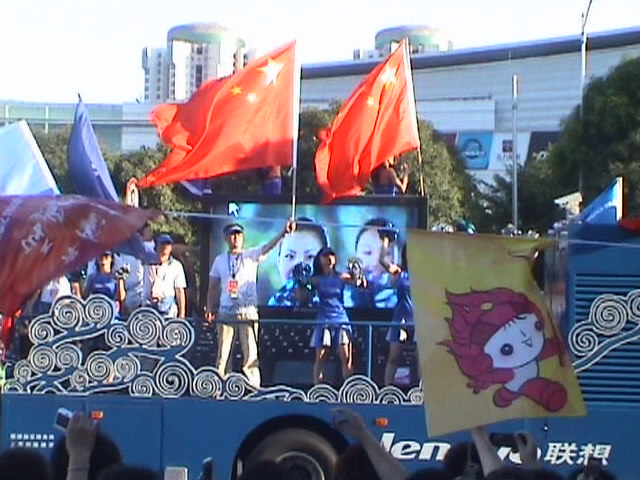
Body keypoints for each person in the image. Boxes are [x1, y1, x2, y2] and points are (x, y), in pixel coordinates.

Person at [205, 220, 294, 388]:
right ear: (226, 238)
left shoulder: (251, 255)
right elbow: (213, 286)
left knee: (250, 352)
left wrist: (283, 234)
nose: (236, 238)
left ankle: (253, 387)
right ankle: (221, 385)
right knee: (223, 353)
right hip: (226, 311)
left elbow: (268, 247)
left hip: (247, 312)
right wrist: (209, 307)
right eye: (232, 235)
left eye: (238, 235)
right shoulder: (220, 260)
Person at [310, 247, 364, 384]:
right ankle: (318, 387)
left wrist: (357, 275)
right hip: (324, 319)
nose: (328, 258)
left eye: (331, 255)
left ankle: (349, 388)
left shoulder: (341, 277)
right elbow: (303, 290)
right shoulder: (316, 279)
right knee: (320, 357)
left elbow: (359, 284)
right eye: (325, 256)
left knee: (346, 357)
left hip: (340, 319)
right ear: (320, 259)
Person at [268, 217, 328, 307]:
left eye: (310, 257)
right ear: (278, 261)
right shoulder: (275, 302)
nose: (298, 264)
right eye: (290, 256)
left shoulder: (332, 304)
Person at [380, 242, 414, 385]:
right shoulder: (399, 271)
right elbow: (383, 261)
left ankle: (421, 390)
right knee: (394, 356)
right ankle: (387, 388)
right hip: (401, 318)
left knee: (421, 357)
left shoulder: (424, 273)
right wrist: (385, 241)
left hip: (418, 318)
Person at [345, 218, 398, 308]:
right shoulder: (344, 298)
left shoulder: (401, 297)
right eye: (367, 252)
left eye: (387, 253)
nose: (375, 262)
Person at [143, 234, 187, 319]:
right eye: (162, 244)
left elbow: (180, 291)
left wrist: (182, 314)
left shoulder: (176, 266)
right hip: (148, 305)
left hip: (167, 306)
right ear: (157, 246)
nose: (165, 246)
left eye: (168, 244)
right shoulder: (147, 262)